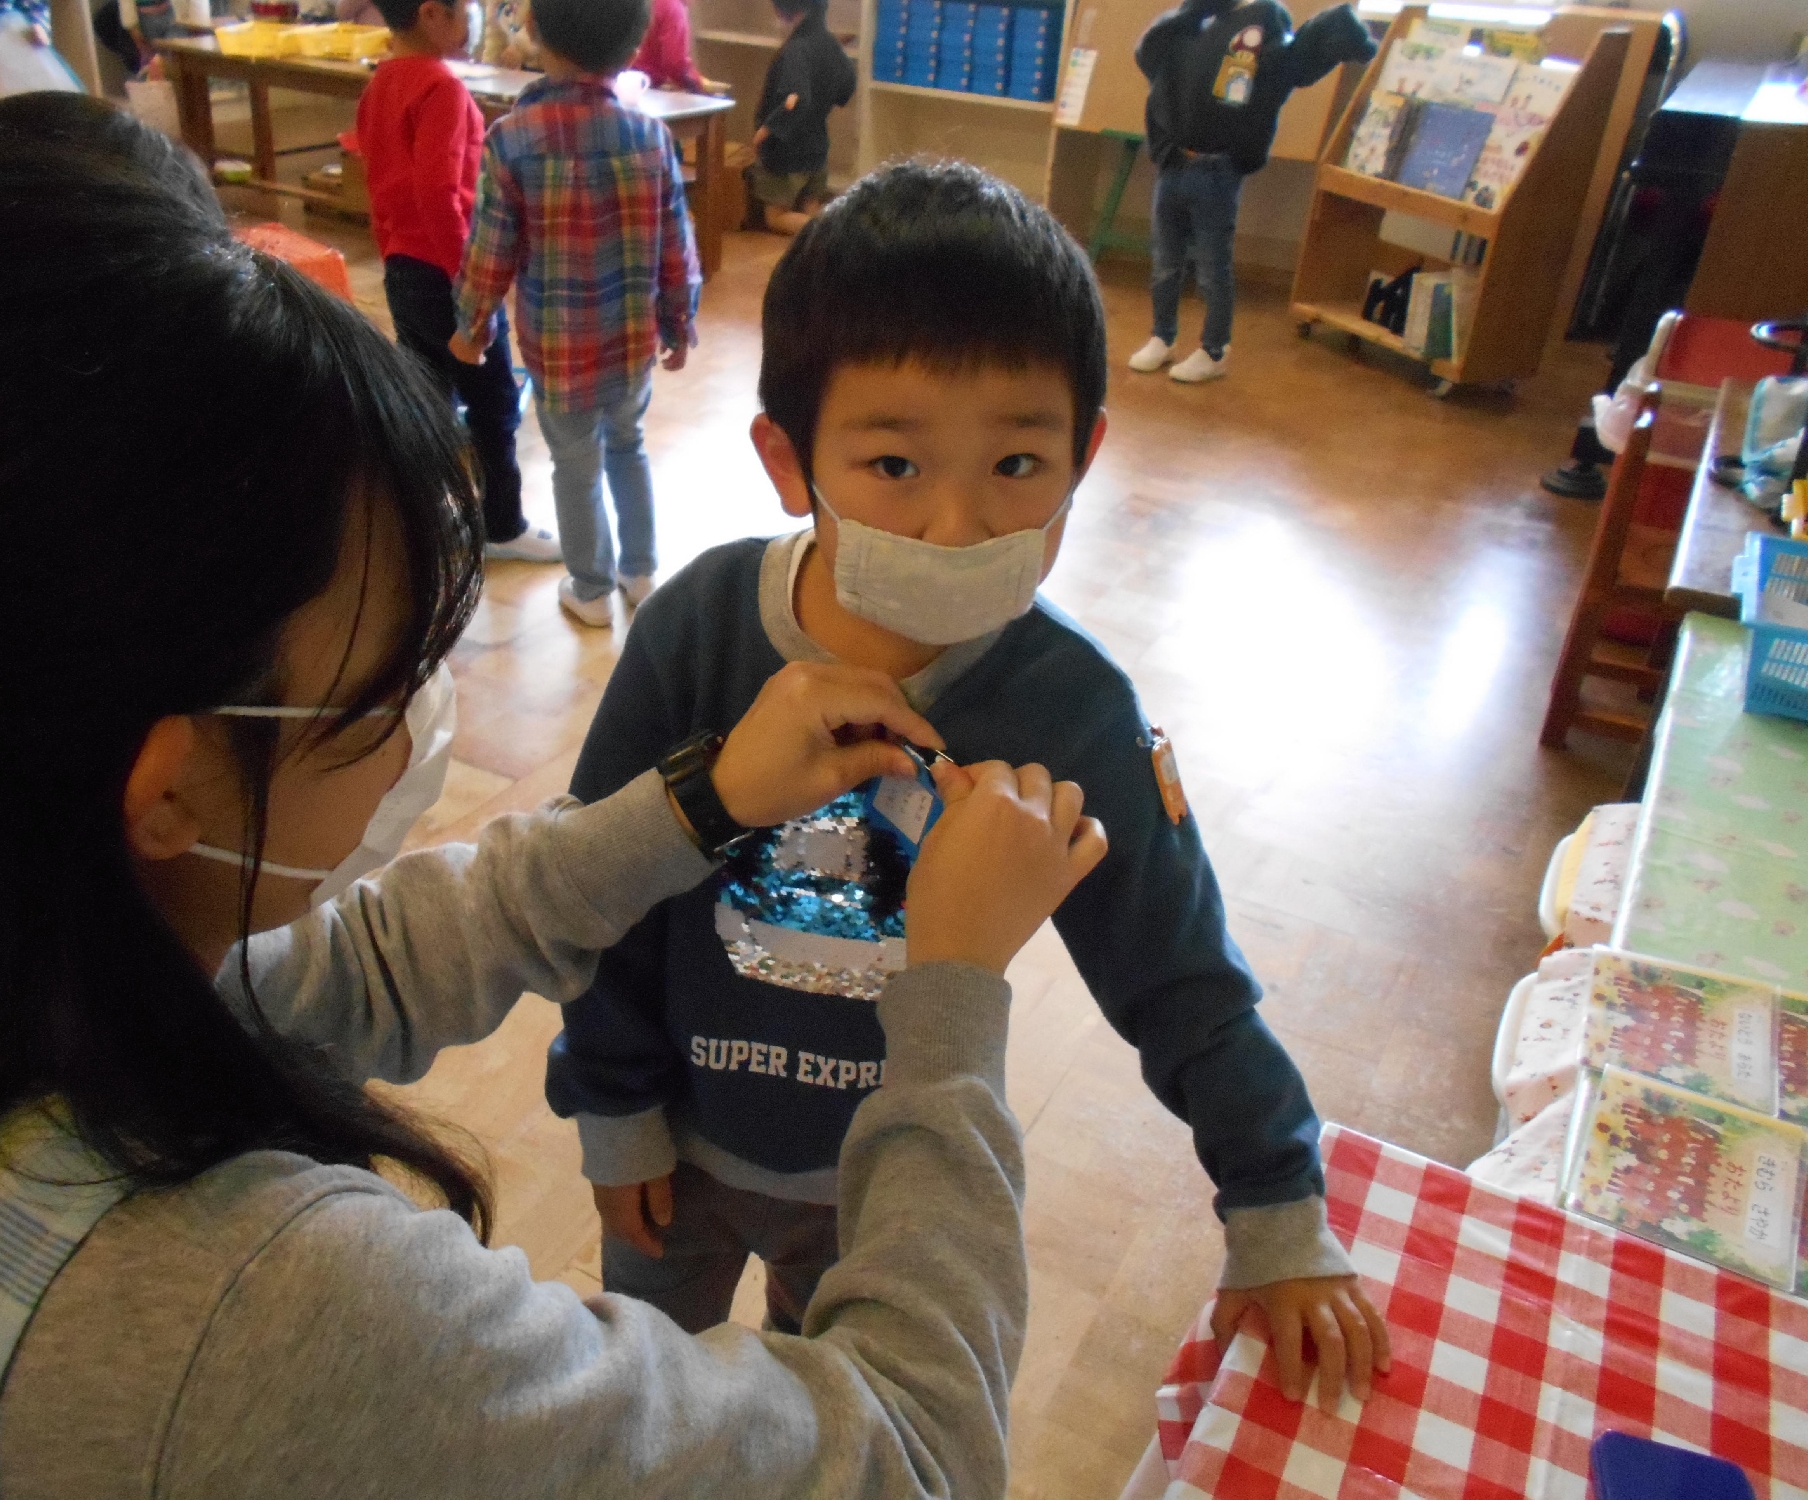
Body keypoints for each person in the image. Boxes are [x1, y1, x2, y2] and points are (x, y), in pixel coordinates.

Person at [0, 104, 1109, 1498]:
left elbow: (363, 965)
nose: (423, 728)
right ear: (170, 785)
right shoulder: (270, 1321)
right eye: (384, 688)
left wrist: (699, 804)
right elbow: (909, 1458)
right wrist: (956, 991)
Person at [546, 160, 1394, 1408]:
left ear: (1084, 457)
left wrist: (1273, 1198)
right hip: (673, 1153)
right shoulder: (697, 631)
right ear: (789, 460)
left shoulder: (1074, 712)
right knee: (644, 1410)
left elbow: (1181, 978)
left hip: (896, 1193)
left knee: (824, 1436)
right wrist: (611, 1109)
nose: (957, 524)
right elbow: (597, 889)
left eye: (1015, 466)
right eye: (893, 466)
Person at [451, 0, 697, 628]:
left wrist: (471, 327)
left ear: (532, 29)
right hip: (631, 342)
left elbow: (490, 250)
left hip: (558, 354)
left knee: (574, 463)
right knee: (628, 445)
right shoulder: (651, 138)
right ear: (635, 42)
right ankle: (640, 572)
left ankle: (590, 590)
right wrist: (679, 320)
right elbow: (678, 246)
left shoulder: (512, 139)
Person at [355, 0, 560, 564]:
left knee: (427, 396)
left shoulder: (381, 84)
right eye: (466, 8)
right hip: (449, 273)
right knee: (494, 401)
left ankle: (426, 517)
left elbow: (377, 179)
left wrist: (395, 251)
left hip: (403, 266)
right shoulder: (442, 89)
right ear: (431, 14)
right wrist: (473, 283)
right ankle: (502, 525)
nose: (474, 18)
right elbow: (439, 194)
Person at [1127, 0, 1373, 383]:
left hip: (1217, 169)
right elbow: (1152, 57)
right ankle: (1162, 336)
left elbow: (1281, 76)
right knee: (1166, 262)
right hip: (1175, 162)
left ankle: (1214, 349)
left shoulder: (1263, 20)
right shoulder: (1200, 20)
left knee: (1212, 267)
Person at [746, 0, 853, 235]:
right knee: (810, 209)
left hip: (787, 153)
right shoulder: (830, 44)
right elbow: (846, 89)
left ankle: (829, 236)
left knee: (776, 217)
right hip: (817, 148)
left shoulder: (796, 49)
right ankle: (820, 242)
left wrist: (765, 132)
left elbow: (798, 100)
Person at [629, 0, 700, 93]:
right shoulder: (673, 7)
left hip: (616, 80)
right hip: (645, 87)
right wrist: (699, 84)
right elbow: (675, 64)